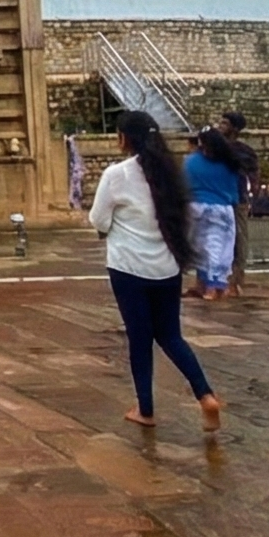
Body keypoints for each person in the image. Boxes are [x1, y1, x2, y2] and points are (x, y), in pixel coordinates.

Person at [89, 111, 221, 433]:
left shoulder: (117, 174)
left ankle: (145, 408)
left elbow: (98, 219)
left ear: (124, 138)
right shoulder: (169, 172)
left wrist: (111, 227)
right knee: (170, 336)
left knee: (139, 337)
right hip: (166, 266)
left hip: (129, 267)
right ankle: (205, 394)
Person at [184, 129, 241, 300]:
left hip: (195, 208)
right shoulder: (230, 163)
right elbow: (233, 190)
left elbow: (183, 185)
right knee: (219, 249)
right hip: (221, 208)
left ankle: (203, 284)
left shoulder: (191, 161)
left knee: (200, 248)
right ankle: (215, 285)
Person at [218, 111, 259, 294]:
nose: (220, 126)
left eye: (225, 123)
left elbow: (254, 175)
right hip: (217, 198)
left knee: (239, 238)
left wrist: (252, 194)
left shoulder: (243, 151)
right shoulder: (215, 148)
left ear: (234, 128)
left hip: (237, 198)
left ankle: (236, 278)